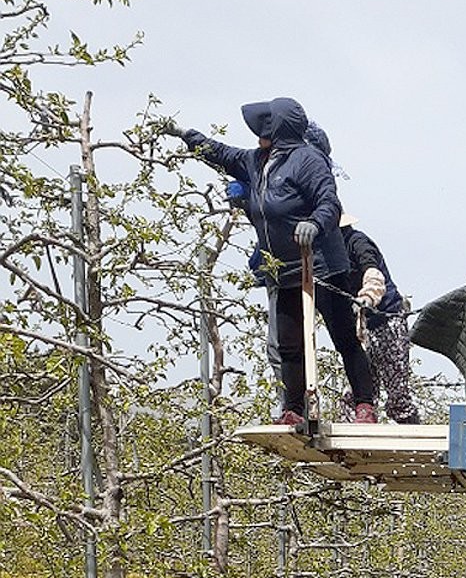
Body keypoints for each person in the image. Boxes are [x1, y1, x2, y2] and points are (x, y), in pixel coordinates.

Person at [166, 98, 377, 425]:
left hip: (321, 266)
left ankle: (365, 404)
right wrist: (185, 134)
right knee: (289, 345)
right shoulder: (255, 161)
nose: (258, 134)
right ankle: (294, 410)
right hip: (282, 269)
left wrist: (316, 223)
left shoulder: (308, 161)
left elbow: (329, 202)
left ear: (278, 130)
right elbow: (220, 153)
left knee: (344, 337)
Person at [302, 123, 419, 424]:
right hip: (362, 328)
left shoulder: (356, 242)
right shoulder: (325, 255)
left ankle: (413, 436)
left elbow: (373, 273)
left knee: (398, 398)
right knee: (357, 396)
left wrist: (367, 297)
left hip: (387, 323)